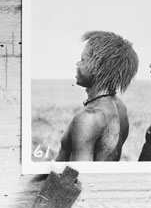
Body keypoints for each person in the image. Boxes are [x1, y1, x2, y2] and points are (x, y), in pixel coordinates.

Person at [55, 31, 139, 162]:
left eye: (83, 60)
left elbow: (79, 177)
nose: (78, 64)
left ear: (98, 67)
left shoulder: (88, 118)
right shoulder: (120, 107)